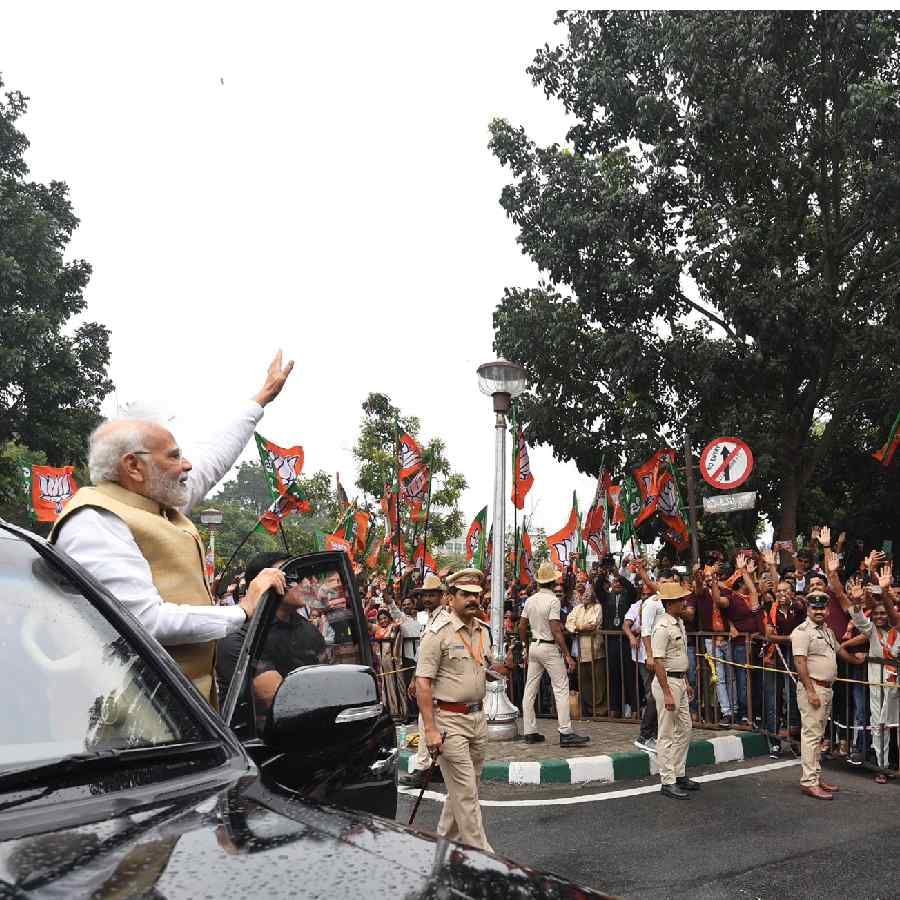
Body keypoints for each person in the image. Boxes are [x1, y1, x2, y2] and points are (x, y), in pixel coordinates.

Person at [50, 351, 294, 705]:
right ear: (133, 466)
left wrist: (260, 400)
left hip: (178, 716)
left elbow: (214, 458)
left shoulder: (158, 502)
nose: (187, 464)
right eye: (174, 456)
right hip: (130, 728)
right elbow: (141, 621)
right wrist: (242, 609)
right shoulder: (94, 520)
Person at [415, 568, 506, 852]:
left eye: (476, 595)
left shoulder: (482, 630)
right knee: (466, 793)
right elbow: (422, 682)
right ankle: (485, 858)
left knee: (464, 790)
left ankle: (441, 848)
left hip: (477, 719)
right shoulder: (437, 633)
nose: (472, 600)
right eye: (465, 594)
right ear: (450, 598)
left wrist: (499, 671)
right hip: (448, 721)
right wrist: (430, 730)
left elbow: (484, 666)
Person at [791, 591, 866, 800]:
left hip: (826, 688)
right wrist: (810, 690)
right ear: (808, 609)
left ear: (827, 609)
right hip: (813, 688)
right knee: (811, 736)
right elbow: (800, 663)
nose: (819, 611)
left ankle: (815, 777)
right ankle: (809, 781)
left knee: (818, 736)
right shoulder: (801, 632)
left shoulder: (827, 630)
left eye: (822, 608)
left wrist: (855, 660)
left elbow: (838, 651)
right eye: (814, 608)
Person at [520, 562, 590, 746]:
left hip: (534, 645)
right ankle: (565, 731)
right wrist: (567, 654)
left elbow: (521, 625)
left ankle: (529, 730)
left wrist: (525, 645)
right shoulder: (553, 601)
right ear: (552, 582)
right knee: (560, 688)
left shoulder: (530, 600)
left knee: (530, 689)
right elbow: (556, 629)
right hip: (549, 647)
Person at [651, 581, 700, 799]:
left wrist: (686, 682)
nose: (684, 602)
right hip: (667, 683)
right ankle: (667, 780)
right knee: (667, 732)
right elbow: (658, 662)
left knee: (685, 728)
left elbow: (679, 657)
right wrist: (667, 692)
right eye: (681, 600)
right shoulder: (662, 627)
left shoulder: (677, 622)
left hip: (678, 681)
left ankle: (679, 773)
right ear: (670, 603)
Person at [565, 582, 606, 717]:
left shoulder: (597, 607)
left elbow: (593, 624)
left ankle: (599, 709)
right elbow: (568, 624)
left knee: (598, 681)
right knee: (584, 681)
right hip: (581, 652)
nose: (586, 596)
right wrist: (580, 628)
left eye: (589, 594)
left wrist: (577, 627)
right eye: (584, 594)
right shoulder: (577, 609)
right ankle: (588, 709)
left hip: (595, 650)